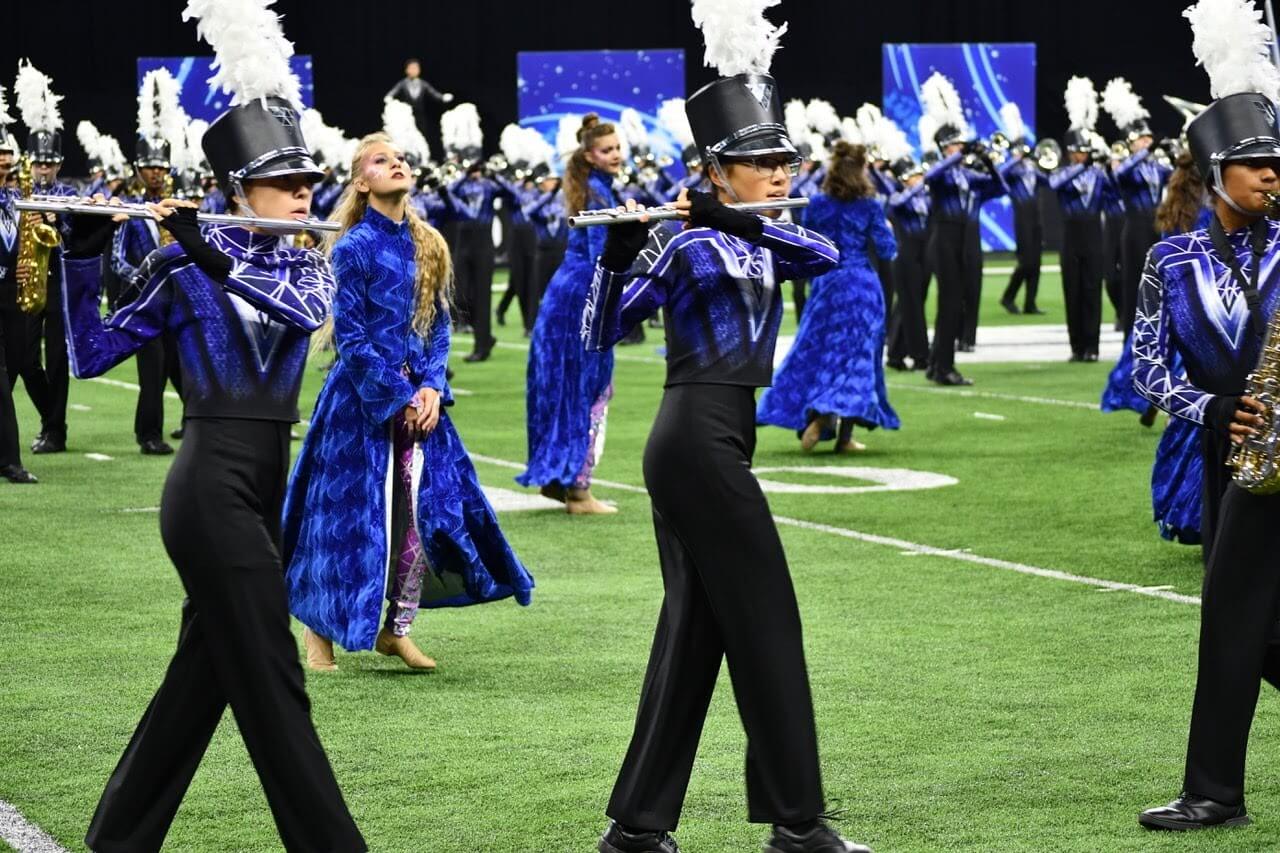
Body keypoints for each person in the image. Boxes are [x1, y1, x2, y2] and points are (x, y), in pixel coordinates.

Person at [71, 7, 366, 847]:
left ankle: (117, 837)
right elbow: (90, 353)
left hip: (267, 482)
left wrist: (212, 253)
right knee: (273, 674)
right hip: (207, 485)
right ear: (239, 191)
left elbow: (299, 312)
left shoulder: (308, 265)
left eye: (307, 180)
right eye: (284, 182)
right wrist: (82, 255)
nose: (304, 193)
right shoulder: (180, 264)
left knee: (200, 679)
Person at [583, 49, 870, 851]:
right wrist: (617, 254)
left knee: (695, 631)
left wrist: (736, 217)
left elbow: (827, 256)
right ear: (715, 170)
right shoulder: (684, 249)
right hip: (693, 438)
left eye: (784, 161)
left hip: (721, 436)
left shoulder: (768, 237)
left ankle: (636, 828)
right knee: (769, 618)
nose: (779, 173)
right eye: (759, 163)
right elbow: (598, 331)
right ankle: (798, 823)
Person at [282, 134, 534, 672]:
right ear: (361, 182)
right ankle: (318, 632)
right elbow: (352, 339)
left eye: (399, 158)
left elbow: (438, 326)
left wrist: (433, 387)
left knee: (422, 516)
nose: (396, 163)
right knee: (343, 519)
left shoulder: (429, 241)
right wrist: (398, 396)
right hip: (359, 406)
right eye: (381, 160)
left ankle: (397, 629)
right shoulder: (351, 248)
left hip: (422, 402)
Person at [1137, 0, 1280, 828]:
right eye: (1255, 164)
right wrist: (1213, 406)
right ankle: (1214, 788)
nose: (1271, 176)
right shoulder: (1171, 258)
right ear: (1216, 170)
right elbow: (1148, 367)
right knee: (1238, 626)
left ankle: (1214, 790)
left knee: (1247, 626)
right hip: (1237, 460)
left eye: (1277, 163)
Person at [757, 141, 899, 452]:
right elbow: (887, 250)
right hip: (861, 286)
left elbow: (809, 244)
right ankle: (840, 433)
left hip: (826, 285)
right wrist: (885, 227)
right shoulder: (869, 205)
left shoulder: (817, 204)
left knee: (820, 353)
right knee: (858, 358)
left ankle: (818, 416)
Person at [517, 113, 621, 515]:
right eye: (607, 150)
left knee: (561, 386)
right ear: (590, 155)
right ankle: (579, 490)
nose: (616, 155)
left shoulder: (590, 187)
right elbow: (601, 255)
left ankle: (556, 478)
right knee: (590, 387)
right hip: (583, 295)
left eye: (617, 148)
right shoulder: (597, 192)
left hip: (565, 292)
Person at [14, 61, 76, 455]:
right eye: (38, 162)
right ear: (29, 162)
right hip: (27, 278)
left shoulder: (68, 195)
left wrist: (56, 221)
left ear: (59, 164)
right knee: (24, 359)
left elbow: (79, 240)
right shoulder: (18, 194)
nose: (43, 168)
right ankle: (51, 419)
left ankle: (55, 431)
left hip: (59, 283)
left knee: (56, 360)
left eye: (50, 162)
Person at [1049, 131, 1116, 363]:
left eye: (1084, 152)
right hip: (1070, 235)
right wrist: (1080, 168)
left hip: (1093, 233)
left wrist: (1109, 168)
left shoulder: (1098, 175)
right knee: (1072, 290)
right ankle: (1076, 346)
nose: (1081, 156)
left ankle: (1092, 346)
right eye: (1078, 152)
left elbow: (1115, 192)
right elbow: (1054, 184)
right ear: (1070, 153)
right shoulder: (1062, 172)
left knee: (1091, 290)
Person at [0, 125, 36, 483]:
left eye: (6, 151)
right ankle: (10, 461)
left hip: (12, 294)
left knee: (14, 366)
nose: (4, 158)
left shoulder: (14, 198)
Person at [884, 156, 932, 372]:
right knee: (911, 306)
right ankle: (921, 355)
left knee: (909, 305)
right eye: (915, 176)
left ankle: (895, 353)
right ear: (905, 179)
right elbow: (896, 204)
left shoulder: (925, 198)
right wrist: (917, 185)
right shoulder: (896, 197)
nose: (920, 179)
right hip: (905, 255)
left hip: (923, 253)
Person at [998, 133, 1046, 315]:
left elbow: (1047, 180)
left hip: (1035, 215)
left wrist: (1044, 163)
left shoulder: (1031, 167)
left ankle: (1030, 303)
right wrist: (1015, 159)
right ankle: (1008, 297)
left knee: (1036, 262)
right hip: (1022, 216)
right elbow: (1000, 174)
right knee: (1026, 262)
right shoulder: (1012, 169)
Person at [385, 57, 454, 157]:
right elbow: (394, 91)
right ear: (407, 70)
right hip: (408, 116)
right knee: (407, 135)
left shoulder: (422, 83)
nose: (414, 70)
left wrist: (442, 97)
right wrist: (389, 96)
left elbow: (433, 93)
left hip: (420, 115)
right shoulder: (403, 83)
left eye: (416, 68)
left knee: (422, 135)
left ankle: (422, 156)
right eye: (412, 68)